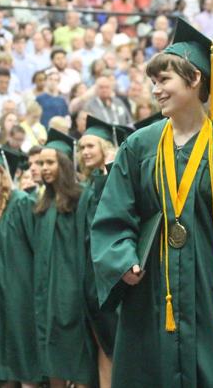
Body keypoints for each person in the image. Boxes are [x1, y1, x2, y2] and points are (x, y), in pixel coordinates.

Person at [91, 18, 213, 387]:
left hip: (211, 284)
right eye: (154, 82)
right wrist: (122, 259)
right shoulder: (140, 145)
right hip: (154, 288)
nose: (156, 90)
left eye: (164, 80)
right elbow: (112, 216)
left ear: (195, 79)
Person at [33, 129, 95, 387]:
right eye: (40, 163)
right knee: (52, 356)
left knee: (77, 356)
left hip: (71, 289)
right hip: (47, 291)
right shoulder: (43, 204)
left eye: (50, 162)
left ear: (64, 164)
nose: (44, 168)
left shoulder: (81, 198)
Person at [0, 143, 40, 386]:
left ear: (3, 174)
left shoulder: (21, 202)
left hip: (19, 298)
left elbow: (37, 249)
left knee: (22, 360)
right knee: (3, 365)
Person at [76, 116, 129, 388]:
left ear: (106, 148)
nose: (85, 152)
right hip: (91, 279)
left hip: (111, 279)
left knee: (117, 345)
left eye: (91, 146)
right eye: (82, 147)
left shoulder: (111, 181)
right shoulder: (88, 186)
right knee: (101, 345)